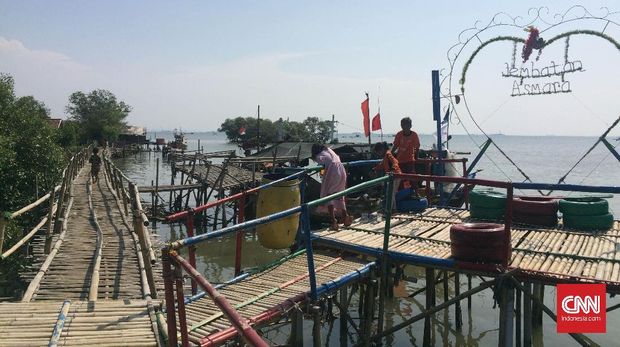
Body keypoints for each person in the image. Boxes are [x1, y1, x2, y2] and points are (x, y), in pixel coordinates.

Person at [311, 144, 352, 230]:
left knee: (329, 195)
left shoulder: (320, 155)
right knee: (340, 195)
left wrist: (314, 158)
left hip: (333, 172)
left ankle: (333, 221)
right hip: (341, 170)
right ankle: (345, 217)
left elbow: (320, 162)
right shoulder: (330, 151)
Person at [373, 142, 410, 210]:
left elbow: (395, 162)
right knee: (392, 193)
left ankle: (391, 209)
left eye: (378, 152)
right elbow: (382, 165)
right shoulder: (386, 155)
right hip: (394, 175)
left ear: (382, 149)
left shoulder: (388, 154)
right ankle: (393, 208)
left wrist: (392, 170)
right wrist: (375, 168)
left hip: (395, 175)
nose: (378, 154)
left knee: (390, 193)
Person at [393, 117, 420, 187]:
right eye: (403, 125)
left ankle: (415, 193)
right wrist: (389, 155)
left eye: (406, 125)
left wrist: (416, 157)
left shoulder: (414, 135)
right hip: (399, 161)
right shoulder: (399, 134)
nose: (404, 127)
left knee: (412, 178)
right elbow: (395, 146)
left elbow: (417, 147)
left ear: (410, 126)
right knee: (401, 179)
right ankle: (403, 193)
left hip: (410, 161)